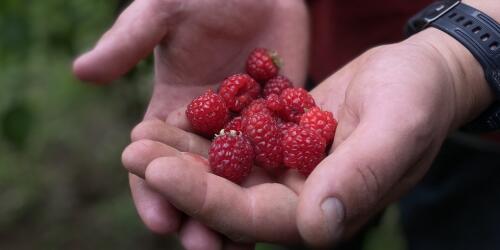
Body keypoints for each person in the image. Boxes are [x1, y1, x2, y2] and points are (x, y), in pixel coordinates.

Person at [73, 0, 500, 249]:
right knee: (322, 223)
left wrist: (463, 52)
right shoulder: (283, 106)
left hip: (480, 129)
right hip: (325, 72)